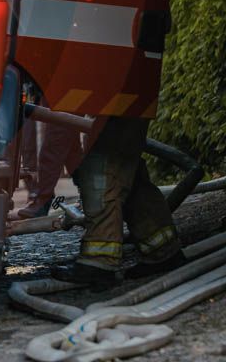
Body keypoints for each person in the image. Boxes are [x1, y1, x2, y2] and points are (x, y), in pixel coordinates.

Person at [50, 115, 185, 285]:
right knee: (127, 174)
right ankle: (163, 250)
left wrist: (42, 192)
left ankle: (98, 263)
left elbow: (60, 125)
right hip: (127, 102)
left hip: (117, 104)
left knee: (100, 174)